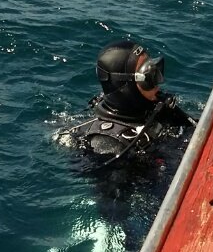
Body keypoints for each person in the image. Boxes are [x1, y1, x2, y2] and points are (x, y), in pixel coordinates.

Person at [63, 40, 194, 170]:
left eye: (155, 71)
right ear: (126, 87)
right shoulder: (110, 147)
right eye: (149, 78)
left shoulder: (155, 107)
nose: (158, 83)